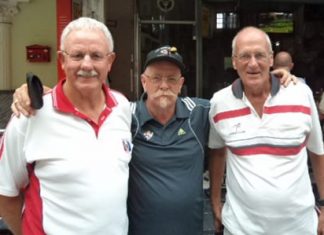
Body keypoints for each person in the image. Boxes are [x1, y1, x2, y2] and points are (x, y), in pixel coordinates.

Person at [11, 44, 295, 235]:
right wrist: (33, 93)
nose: (163, 85)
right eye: (156, 77)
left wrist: (275, 78)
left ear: (182, 84)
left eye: (172, 79)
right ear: (143, 81)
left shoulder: (201, 113)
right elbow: (86, 100)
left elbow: (241, 102)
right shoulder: (124, 116)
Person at [0, 17, 132, 235]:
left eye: (96, 56)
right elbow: (5, 193)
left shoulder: (122, 107)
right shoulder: (30, 116)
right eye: (78, 55)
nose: (87, 65)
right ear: (62, 60)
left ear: (110, 62)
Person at [208, 26, 324, 235]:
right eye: (245, 56)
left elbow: (317, 152)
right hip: (240, 228)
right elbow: (217, 152)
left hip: (299, 227)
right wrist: (215, 202)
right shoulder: (219, 103)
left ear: (271, 59)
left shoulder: (301, 94)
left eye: (260, 55)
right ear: (234, 61)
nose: (253, 63)